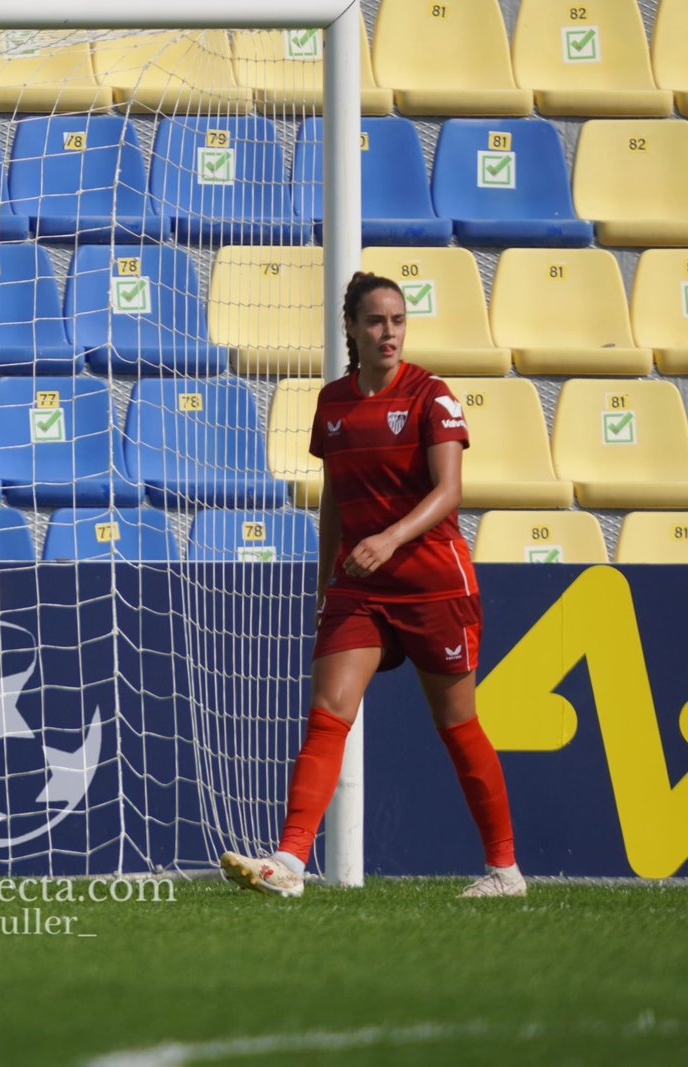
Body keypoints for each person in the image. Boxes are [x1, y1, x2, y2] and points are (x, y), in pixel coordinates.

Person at [221, 271, 523, 899]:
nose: (390, 332)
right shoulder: (332, 404)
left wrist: (388, 538)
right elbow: (334, 494)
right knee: (329, 715)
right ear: (352, 329)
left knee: (458, 724)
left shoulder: (432, 397)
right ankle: (290, 862)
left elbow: (450, 492)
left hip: (434, 586)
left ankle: (505, 870)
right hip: (358, 588)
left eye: (398, 320)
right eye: (377, 321)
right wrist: (326, 576)